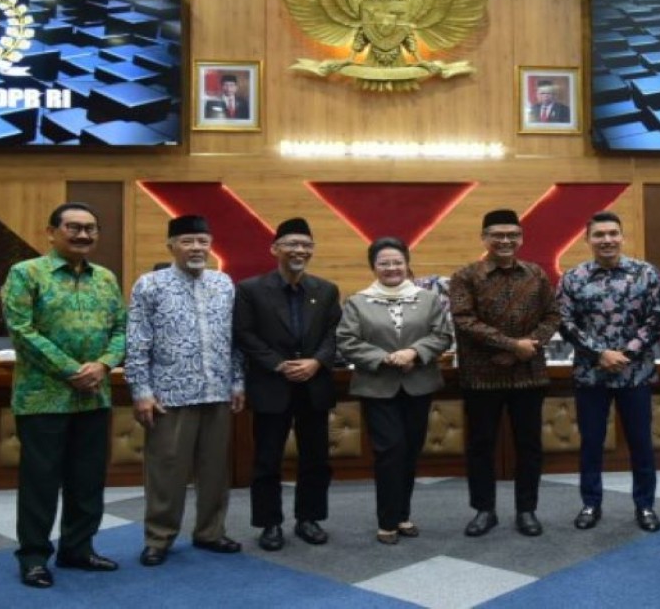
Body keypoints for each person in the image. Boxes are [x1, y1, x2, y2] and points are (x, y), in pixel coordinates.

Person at [1, 202, 126, 589]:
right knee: (41, 480)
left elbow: (122, 329)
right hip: (42, 397)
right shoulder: (26, 273)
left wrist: (103, 364)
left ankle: (78, 548)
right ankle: (35, 557)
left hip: (94, 396)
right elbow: (21, 330)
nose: (83, 235)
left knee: (87, 479)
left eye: (90, 228)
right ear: (52, 231)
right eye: (73, 227)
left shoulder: (105, 278)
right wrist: (72, 370)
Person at [125, 215, 245, 567]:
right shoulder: (150, 285)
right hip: (169, 397)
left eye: (203, 241)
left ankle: (210, 532)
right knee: (166, 471)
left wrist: (238, 381)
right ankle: (159, 538)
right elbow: (137, 342)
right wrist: (140, 391)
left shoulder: (224, 284)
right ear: (171, 246)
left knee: (215, 472)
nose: (197, 248)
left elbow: (235, 340)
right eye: (188, 241)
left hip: (217, 392)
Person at [449, 208, 561, 538]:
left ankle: (527, 510)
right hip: (481, 377)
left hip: (529, 375)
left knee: (529, 447)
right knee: (480, 446)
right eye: (497, 234)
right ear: (484, 238)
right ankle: (484, 510)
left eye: (512, 235)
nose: (505, 240)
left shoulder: (536, 274)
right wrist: (513, 345)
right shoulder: (466, 276)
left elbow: (553, 315)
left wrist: (529, 345)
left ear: (521, 238)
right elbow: (464, 320)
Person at [233, 217, 341, 551]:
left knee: (316, 458)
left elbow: (334, 333)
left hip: (314, 384)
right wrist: (278, 364)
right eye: (292, 244)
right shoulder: (251, 290)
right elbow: (244, 335)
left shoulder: (325, 290)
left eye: (306, 245)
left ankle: (309, 518)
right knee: (267, 459)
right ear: (275, 249)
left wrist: (316, 361)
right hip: (271, 385)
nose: (300, 250)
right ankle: (270, 523)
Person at [337, 237, 453, 545]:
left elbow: (442, 334)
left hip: (419, 385)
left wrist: (414, 352)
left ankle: (403, 515)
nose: (391, 268)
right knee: (389, 451)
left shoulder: (428, 299)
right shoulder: (357, 301)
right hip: (377, 387)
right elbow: (347, 341)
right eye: (384, 263)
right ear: (373, 267)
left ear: (407, 264)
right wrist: (384, 358)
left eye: (397, 262)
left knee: (411, 451)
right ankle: (386, 520)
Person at [557, 211, 660, 532]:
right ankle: (591, 504)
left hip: (636, 374)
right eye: (599, 235)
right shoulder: (573, 279)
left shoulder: (645, 274)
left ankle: (645, 506)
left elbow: (657, 319)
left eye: (613, 233)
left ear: (622, 236)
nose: (607, 240)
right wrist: (600, 353)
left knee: (641, 443)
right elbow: (565, 323)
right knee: (591, 443)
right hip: (592, 375)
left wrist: (627, 353)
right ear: (587, 239)